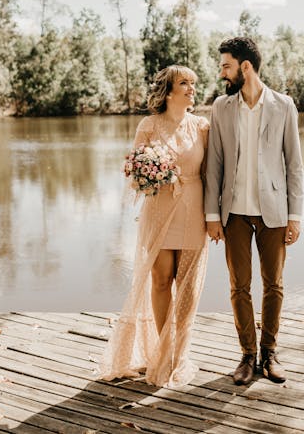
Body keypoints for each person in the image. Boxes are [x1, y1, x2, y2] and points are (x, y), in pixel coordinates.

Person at [99, 65, 209, 388]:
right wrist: (149, 171)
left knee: (187, 287)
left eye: (193, 83)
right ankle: (164, 350)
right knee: (161, 280)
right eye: (184, 83)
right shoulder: (148, 125)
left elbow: (214, 171)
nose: (191, 88)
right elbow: (134, 172)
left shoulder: (201, 126)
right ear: (169, 91)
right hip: (160, 209)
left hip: (194, 209)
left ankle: (179, 354)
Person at [205, 37, 303, 385]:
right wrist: (211, 216)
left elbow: (294, 164)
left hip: (273, 213)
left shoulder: (283, 105)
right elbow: (214, 163)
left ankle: (269, 353)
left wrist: (295, 215)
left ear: (245, 67)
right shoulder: (220, 107)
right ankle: (247, 356)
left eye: (226, 65)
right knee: (238, 287)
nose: (222, 72)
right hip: (232, 214)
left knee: (273, 285)